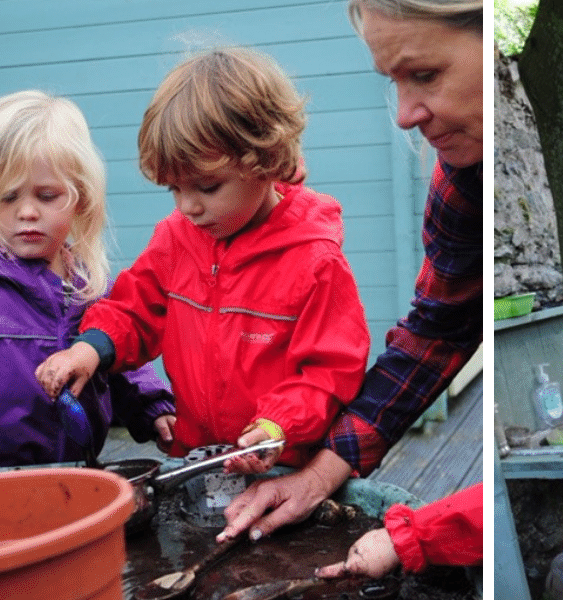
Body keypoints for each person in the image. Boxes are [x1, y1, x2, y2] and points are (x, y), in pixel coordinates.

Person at [218, 0, 483, 579]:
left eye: (425, 75)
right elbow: (437, 333)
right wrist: (315, 480)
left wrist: (426, 534)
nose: (404, 115)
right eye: (393, 82)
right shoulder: (458, 185)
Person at [35, 48, 370, 472]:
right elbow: (134, 309)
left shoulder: (315, 261)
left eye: (207, 187)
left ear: (265, 161)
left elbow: (329, 372)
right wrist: (89, 348)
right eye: (174, 189)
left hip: (283, 465)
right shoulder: (177, 238)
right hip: (199, 461)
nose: (188, 206)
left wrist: (276, 426)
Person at [0, 90, 175, 467]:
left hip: (78, 476)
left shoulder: (90, 287)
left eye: (47, 195)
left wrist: (153, 407)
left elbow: (120, 357)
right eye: (7, 198)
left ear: (81, 198)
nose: (27, 212)